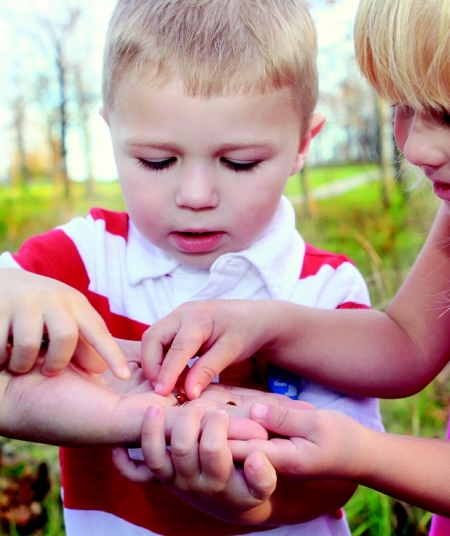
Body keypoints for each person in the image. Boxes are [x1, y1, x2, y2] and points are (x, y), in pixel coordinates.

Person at [142, 0, 450, 533]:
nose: (419, 147)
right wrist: (264, 323)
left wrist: (363, 453)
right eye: (402, 108)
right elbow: (405, 344)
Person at [0, 0, 384, 534]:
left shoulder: (324, 291)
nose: (196, 195)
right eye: (157, 161)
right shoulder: (83, 258)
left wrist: (250, 502)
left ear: (302, 145)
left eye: (239, 163)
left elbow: (346, 471)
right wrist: (11, 287)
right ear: (110, 133)